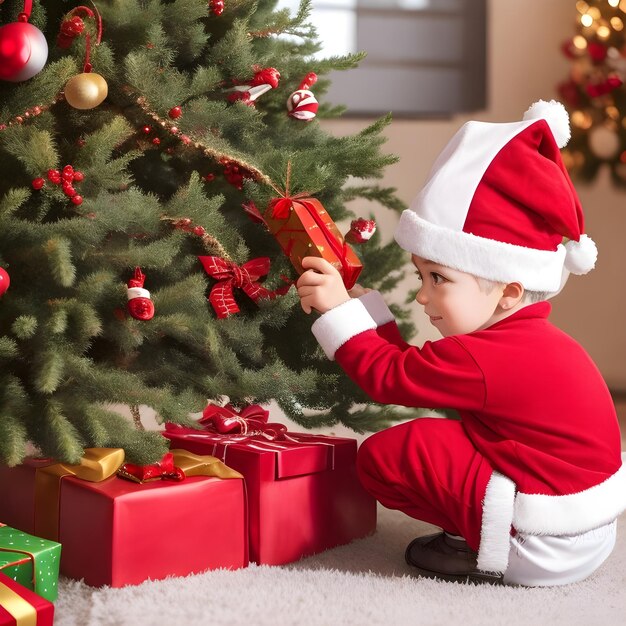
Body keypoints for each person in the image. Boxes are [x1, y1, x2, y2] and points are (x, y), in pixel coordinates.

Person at [296, 100, 626, 586]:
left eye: (439, 279)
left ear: (509, 291)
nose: (422, 295)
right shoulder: (530, 339)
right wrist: (362, 312)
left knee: (389, 456)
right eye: (420, 275)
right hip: (587, 531)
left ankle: (482, 546)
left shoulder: (486, 355)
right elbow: (412, 365)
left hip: (541, 541)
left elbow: (389, 377)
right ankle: (483, 529)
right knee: (450, 440)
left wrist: (337, 311)